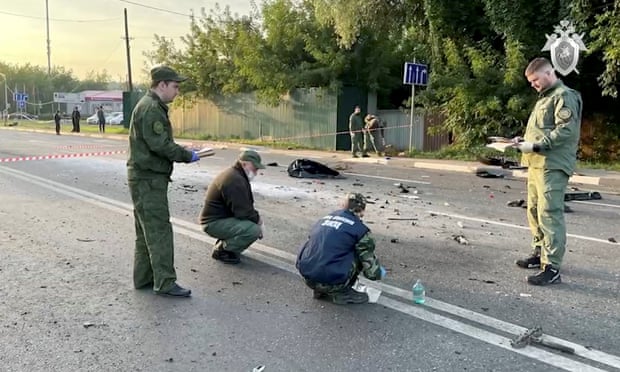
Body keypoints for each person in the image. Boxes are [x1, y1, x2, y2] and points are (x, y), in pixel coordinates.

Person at [127, 65, 200, 297]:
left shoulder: (148, 105)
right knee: (159, 231)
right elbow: (160, 145)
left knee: (145, 230)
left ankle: (144, 278)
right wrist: (187, 155)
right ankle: (165, 282)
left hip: (142, 177)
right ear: (162, 85)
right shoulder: (151, 109)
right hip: (149, 179)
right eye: (175, 86)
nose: (177, 92)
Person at [512, 57, 582, 286]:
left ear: (549, 73)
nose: (533, 85)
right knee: (533, 210)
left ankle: (552, 267)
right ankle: (539, 252)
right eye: (530, 81)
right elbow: (541, 130)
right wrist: (524, 141)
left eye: (535, 80)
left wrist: (536, 145)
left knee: (549, 213)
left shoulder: (564, 96)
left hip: (552, 164)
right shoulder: (546, 98)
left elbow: (566, 131)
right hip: (537, 164)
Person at [296, 193, 386, 304]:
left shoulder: (322, 220)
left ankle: (320, 290)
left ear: (342, 205)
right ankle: (342, 292)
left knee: (321, 245)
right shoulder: (361, 231)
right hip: (333, 282)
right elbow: (372, 273)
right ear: (362, 211)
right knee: (359, 252)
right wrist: (378, 272)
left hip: (309, 279)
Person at [199, 150, 265, 264]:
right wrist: (259, 222)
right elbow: (244, 212)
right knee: (253, 230)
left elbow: (244, 206)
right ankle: (223, 251)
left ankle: (226, 242)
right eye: (255, 168)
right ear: (244, 164)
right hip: (212, 223)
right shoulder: (235, 179)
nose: (256, 172)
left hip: (219, 219)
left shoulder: (236, 174)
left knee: (251, 223)